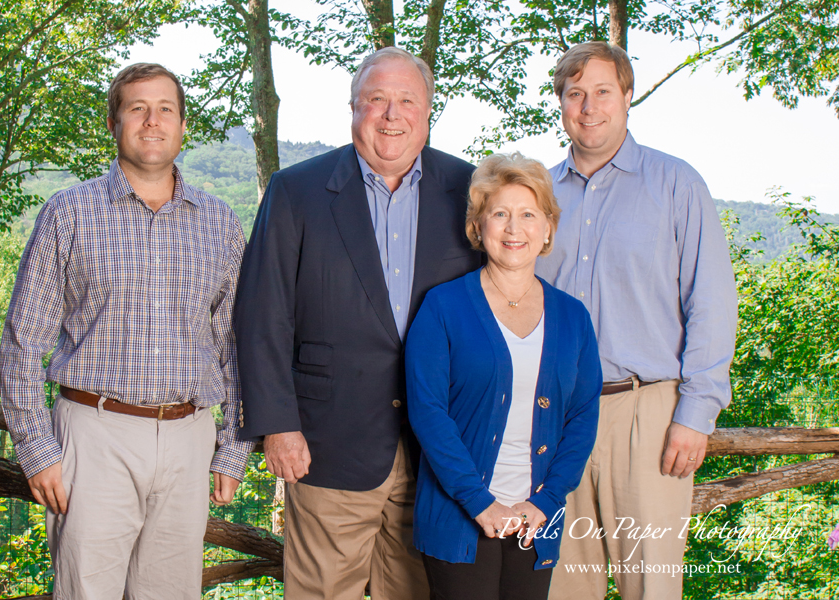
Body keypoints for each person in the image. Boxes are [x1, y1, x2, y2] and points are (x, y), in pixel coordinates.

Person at [233, 46, 482, 600]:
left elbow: (495, 309)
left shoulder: (470, 190)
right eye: (376, 99)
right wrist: (277, 423)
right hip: (327, 442)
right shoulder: (295, 192)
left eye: (406, 100)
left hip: (439, 451)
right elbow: (261, 314)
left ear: (428, 109)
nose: (392, 114)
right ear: (353, 108)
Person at [0, 63, 252, 599]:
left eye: (165, 109)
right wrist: (37, 448)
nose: (152, 120)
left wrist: (232, 447)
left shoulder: (220, 222)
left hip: (189, 438)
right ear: (114, 124)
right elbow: (24, 340)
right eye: (137, 108)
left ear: (183, 126)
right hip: (95, 432)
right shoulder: (68, 214)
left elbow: (236, 345)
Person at [535, 42, 738, 600]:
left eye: (603, 91)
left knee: (650, 587)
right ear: (561, 104)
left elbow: (712, 302)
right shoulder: (537, 197)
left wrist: (696, 413)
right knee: (561, 588)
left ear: (628, 97)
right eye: (575, 94)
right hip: (553, 418)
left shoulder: (677, 185)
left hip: (646, 414)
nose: (589, 106)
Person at [405, 153, 602, 600]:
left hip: (537, 517)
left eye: (528, 215)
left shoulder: (573, 318)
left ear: (548, 228)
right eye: (500, 214)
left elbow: (583, 417)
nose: (515, 229)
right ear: (478, 228)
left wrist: (546, 502)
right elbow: (429, 413)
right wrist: (480, 502)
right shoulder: (442, 307)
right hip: (460, 514)